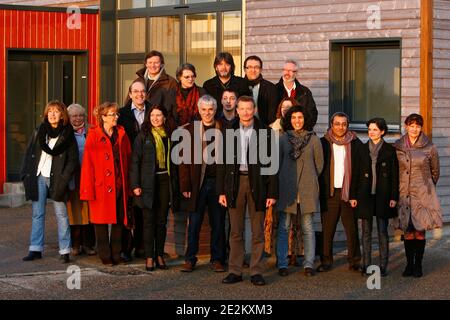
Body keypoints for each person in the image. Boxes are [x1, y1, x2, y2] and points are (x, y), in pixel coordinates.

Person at [218, 96, 278, 286]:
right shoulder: (228, 132)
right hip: (235, 184)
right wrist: (221, 191)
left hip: (258, 184)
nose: (245, 112)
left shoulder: (266, 133)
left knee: (257, 231)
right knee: (235, 231)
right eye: (241, 109)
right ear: (236, 110)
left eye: (248, 108)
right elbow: (222, 164)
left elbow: (272, 164)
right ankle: (235, 271)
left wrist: (272, 193)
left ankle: (256, 272)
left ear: (254, 110)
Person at [22, 101, 79, 263]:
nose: (53, 114)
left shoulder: (68, 134)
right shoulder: (39, 131)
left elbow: (73, 160)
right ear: (46, 114)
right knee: (37, 214)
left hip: (57, 178)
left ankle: (65, 250)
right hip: (38, 176)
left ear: (62, 115)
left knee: (61, 214)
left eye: (56, 111)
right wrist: (25, 174)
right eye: (50, 111)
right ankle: (35, 249)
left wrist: (64, 178)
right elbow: (29, 154)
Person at [179, 95, 227, 273]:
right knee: (194, 224)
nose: (207, 113)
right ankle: (190, 258)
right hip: (196, 183)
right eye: (204, 110)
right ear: (199, 111)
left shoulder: (223, 128)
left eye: (211, 109)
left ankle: (217, 259)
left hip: (217, 184)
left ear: (215, 110)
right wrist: (185, 187)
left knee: (218, 223)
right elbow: (183, 161)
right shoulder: (190, 130)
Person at [80, 102, 132, 266]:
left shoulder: (122, 134)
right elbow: (88, 165)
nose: (116, 117)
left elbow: (128, 159)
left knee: (118, 222)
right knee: (100, 223)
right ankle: (105, 255)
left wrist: (129, 185)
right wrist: (88, 190)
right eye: (112, 114)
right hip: (100, 186)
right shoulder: (93, 135)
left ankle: (116, 254)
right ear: (103, 117)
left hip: (119, 185)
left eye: (116, 114)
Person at [276, 105, 323, 277]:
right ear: (289, 120)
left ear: (305, 119)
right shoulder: (282, 139)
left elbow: (319, 165)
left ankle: (308, 264)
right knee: (284, 227)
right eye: (294, 117)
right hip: (286, 189)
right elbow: (277, 163)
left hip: (307, 188)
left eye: (300, 117)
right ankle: (282, 263)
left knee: (308, 227)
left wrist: (308, 181)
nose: (297, 121)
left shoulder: (314, 140)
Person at [130, 105, 179, 271]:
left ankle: (159, 254)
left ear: (164, 117)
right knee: (148, 222)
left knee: (161, 221)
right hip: (147, 183)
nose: (156, 118)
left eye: (159, 115)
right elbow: (135, 162)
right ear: (148, 117)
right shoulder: (142, 136)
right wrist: (135, 185)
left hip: (165, 181)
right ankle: (149, 256)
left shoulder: (171, 135)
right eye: (153, 115)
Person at [394, 113, 443, 278]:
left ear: (421, 128)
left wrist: (427, 186)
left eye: (418, 126)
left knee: (420, 231)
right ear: (406, 126)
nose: (414, 129)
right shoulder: (398, 146)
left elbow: (435, 172)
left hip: (422, 194)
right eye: (411, 125)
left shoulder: (430, 147)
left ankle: (418, 265)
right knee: (408, 231)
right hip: (404, 194)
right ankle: (409, 265)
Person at [349, 118, 399, 277]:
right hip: (365, 195)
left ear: (382, 131)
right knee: (365, 232)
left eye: (375, 129)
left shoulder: (390, 151)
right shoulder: (361, 149)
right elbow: (355, 174)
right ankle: (366, 264)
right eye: (370, 129)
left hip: (383, 196)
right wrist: (352, 195)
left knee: (382, 232)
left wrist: (394, 196)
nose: (371, 132)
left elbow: (394, 176)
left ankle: (383, 265)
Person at [317, 112, 362, 272]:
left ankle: (355, 260)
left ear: (347, 125)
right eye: (337, 123)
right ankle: (326, 261)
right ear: (331, 124)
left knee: (351, 229)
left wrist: (355, 194)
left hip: (348, 193)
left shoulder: (356, 144)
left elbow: (359, 170)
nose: (340, 127)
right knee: (328, 229)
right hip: (330, 193)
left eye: (344, 124)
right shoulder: (323, 143)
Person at [118, 79, 151, 261]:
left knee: (142, 209)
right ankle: (125, 248)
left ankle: (141, 247)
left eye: (142, 91)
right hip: (127, 166)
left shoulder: (153, 111)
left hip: (147, 167)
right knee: (126, 208)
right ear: (130, 94)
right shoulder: (122, 114)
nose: (139, 95)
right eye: (136, 92)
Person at [66, 104, 96, 256]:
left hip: (90, 177)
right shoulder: (65, 132)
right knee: (74, 211)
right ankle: (75, 245)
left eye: (80, 115)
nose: (78, 118)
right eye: (74, 116)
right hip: (73, 177)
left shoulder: (92, 131)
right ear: (69, 118)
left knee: (90, 211)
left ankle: (89, 244)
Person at [276, 59, 318, 128]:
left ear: (296, 73)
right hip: (279, 133)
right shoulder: (273, 90)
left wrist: (303, 130)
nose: (287, 73)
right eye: (285, 70)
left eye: (290, 71)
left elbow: (312, 114)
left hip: (300, 134)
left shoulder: (305, 92)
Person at [136, 50, 178, 117]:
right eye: (150, 62)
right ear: (146, 64)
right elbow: (129, 103)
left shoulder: (171, 82)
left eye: (156, 63)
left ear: (161, 64)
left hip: (161, 123)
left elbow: (175, 107)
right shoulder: (138, 81)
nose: (153, 65)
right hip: (139, 121)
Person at [243, 55, 278, 126]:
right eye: (249, 67)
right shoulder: (238, 86)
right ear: (244, 69)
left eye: (256, 67)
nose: (253, 70)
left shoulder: (271, 88)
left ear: (261, 69)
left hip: (263, 129)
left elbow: (273, 113)